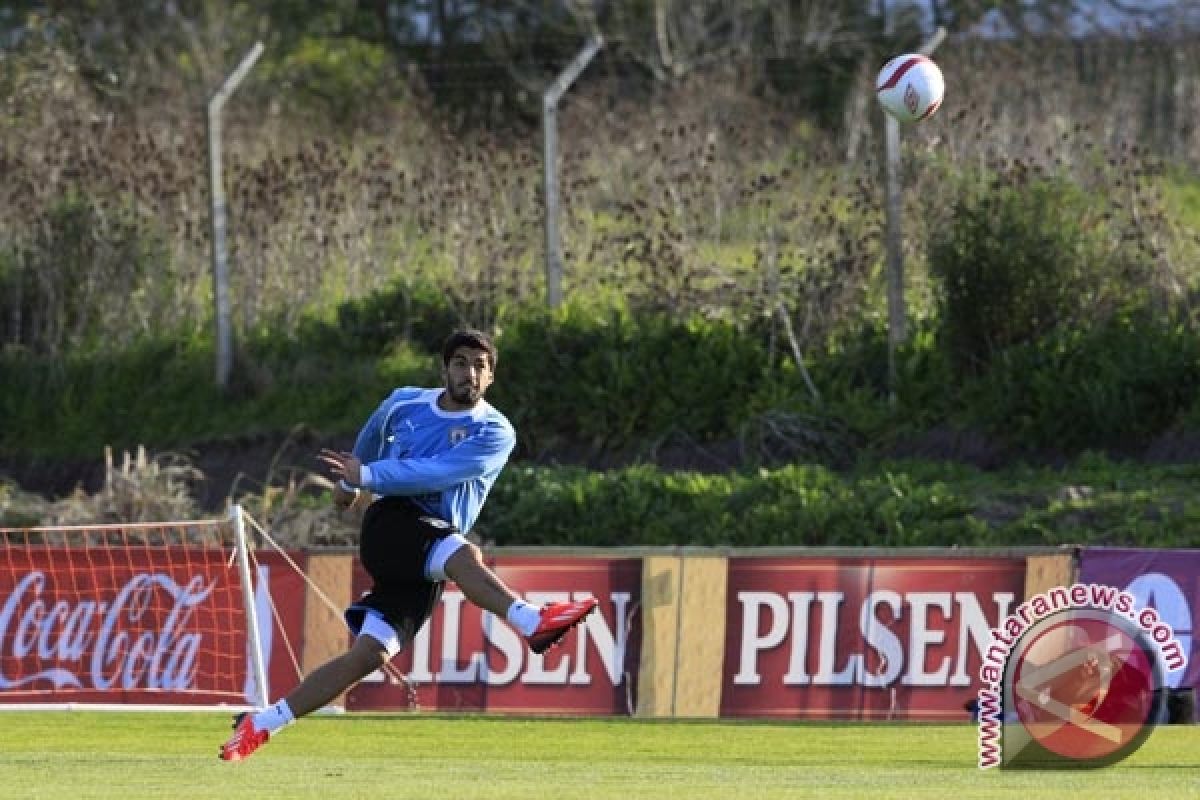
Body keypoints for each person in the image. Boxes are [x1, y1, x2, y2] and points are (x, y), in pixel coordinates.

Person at [220, 328, 597, 762]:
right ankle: (530, 621)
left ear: (491, 377)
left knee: (370, 655)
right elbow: (372, 435)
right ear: (444, 369)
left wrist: (366, 476)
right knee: (464, 554)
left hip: (429, 543)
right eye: (461, 363)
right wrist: (349, 480)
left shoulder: (495, 431)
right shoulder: (405, 401)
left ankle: (263, 723)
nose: (469, 373)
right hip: (392, 524)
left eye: (480, 366)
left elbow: (440, 472)